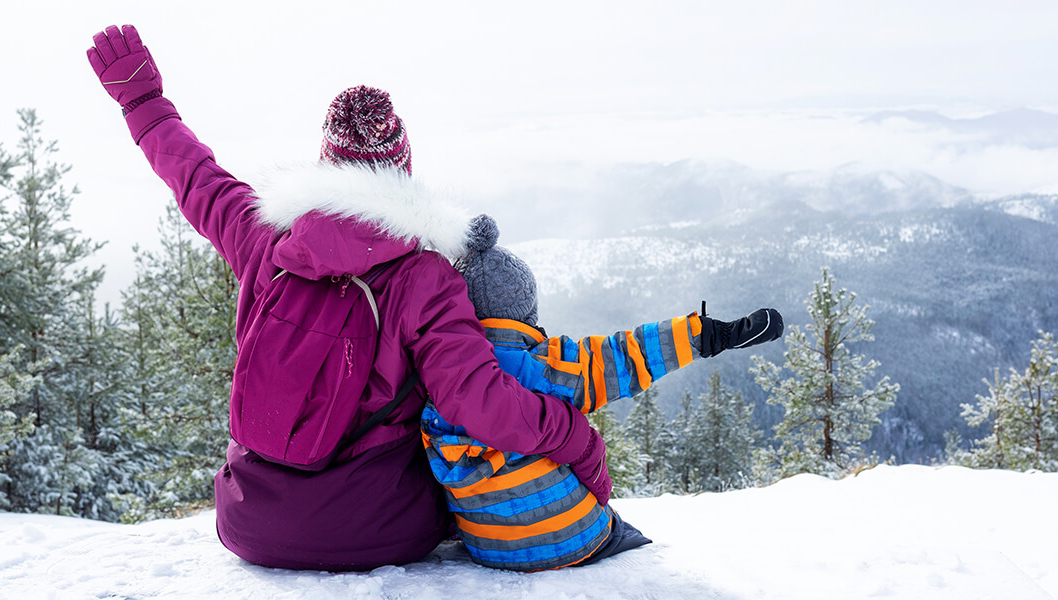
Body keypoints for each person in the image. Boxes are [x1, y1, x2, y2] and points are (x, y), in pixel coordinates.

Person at [86, 24, 611, 571]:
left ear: (325, 165)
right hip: (380, 533)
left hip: (248, 523)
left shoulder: (265, 239)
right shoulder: (423, 277)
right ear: (402, 170)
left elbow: (197, 179)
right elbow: (480, 404)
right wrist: (580, 441)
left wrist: (142, 99)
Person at [423, 214, 784, 571]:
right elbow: (625, 356)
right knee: (620, 530)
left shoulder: (437, 376)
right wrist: (705, 334)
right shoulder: (544, 364)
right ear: (525, 314)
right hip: (574, 538)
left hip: (487, 549)